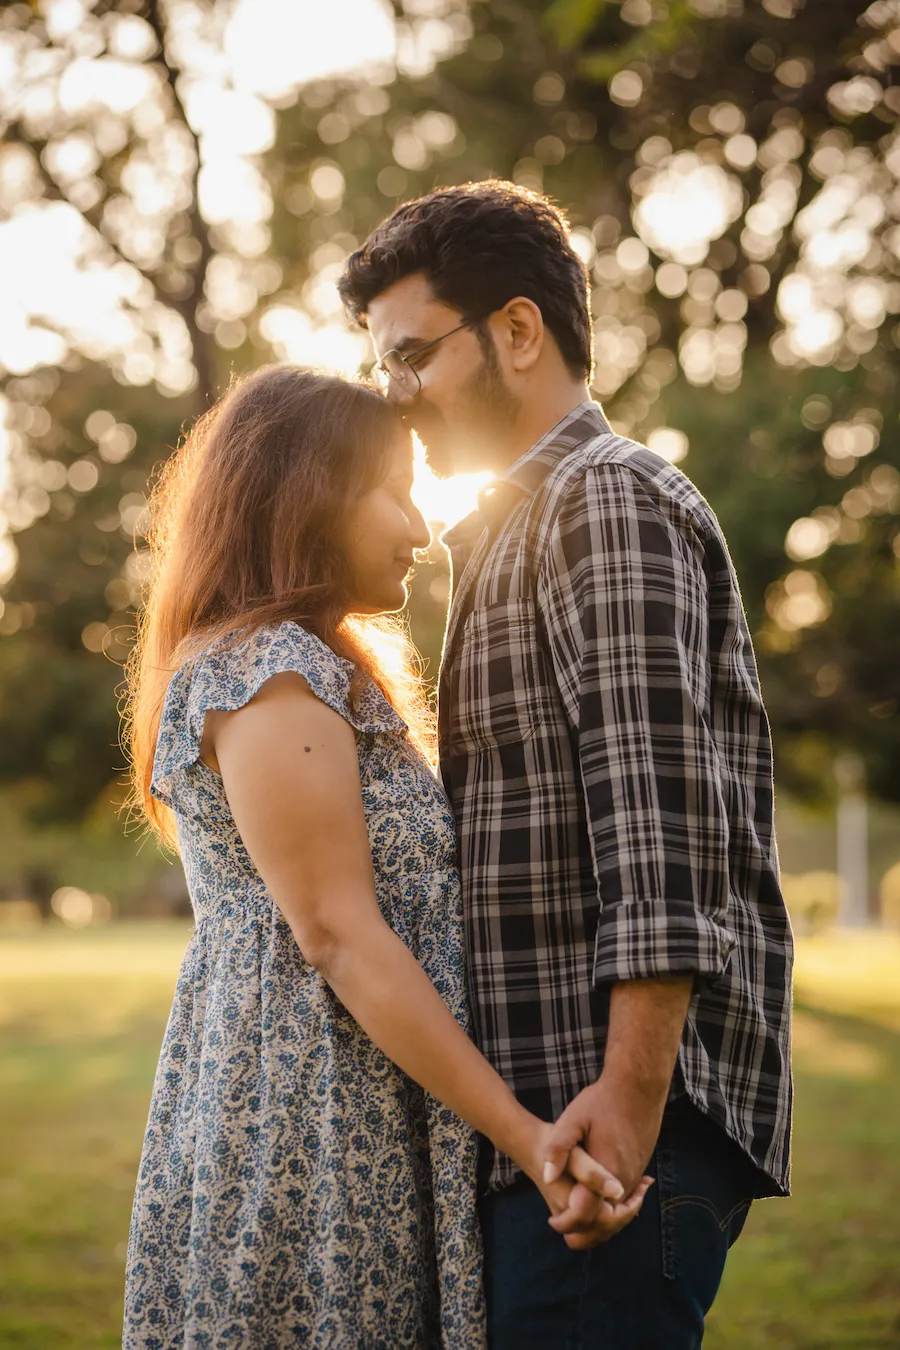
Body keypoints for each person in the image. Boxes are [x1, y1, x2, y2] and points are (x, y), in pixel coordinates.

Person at [338, 180, 794, 1348]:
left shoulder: (608, 502)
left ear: (520, 330)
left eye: (412, 356)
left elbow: (657, 828)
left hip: (610, 1129)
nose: (396, 396)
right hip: (553, 1117)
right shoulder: (513, 526)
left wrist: (631, 1100)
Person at [122, 367, 645, 1349]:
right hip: (313, 1113)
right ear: (309, 493)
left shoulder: (311, 669)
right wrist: (525, 1137)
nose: (420, 523)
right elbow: (340, 935)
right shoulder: (268, 673)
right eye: (395, 491)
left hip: (354, 1093)